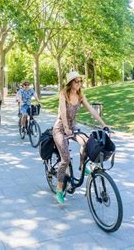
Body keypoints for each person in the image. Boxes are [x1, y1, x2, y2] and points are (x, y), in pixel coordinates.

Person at [52, 71, 109, 204]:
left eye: (80, 81)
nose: (79, 83)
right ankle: (59, 190)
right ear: (70, 83)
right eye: (76, 81)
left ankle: (82, 167)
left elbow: (92, 110)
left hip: (73, 127)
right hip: (60, 128)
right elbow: (63, 113)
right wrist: (66, 128)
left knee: (87, 142)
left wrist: (104, 125)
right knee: (65, 159)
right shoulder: (63, 94)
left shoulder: (80, 96)